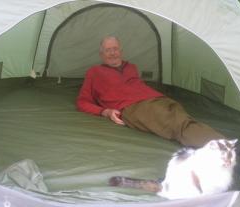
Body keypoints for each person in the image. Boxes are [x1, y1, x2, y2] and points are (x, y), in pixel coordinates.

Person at [76, 36, 226, 148]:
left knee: (183, 120)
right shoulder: (94, 72)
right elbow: (82, 102)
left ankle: (226, 147)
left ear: (121, 51)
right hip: (134, 107)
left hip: (159, 99)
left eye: (115, 49)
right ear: (101, 54)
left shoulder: (131, 67)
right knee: (178, 126)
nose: (113, 53)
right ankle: (227, 151)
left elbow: (137, 87)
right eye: (108, 50)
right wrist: (105, 112)